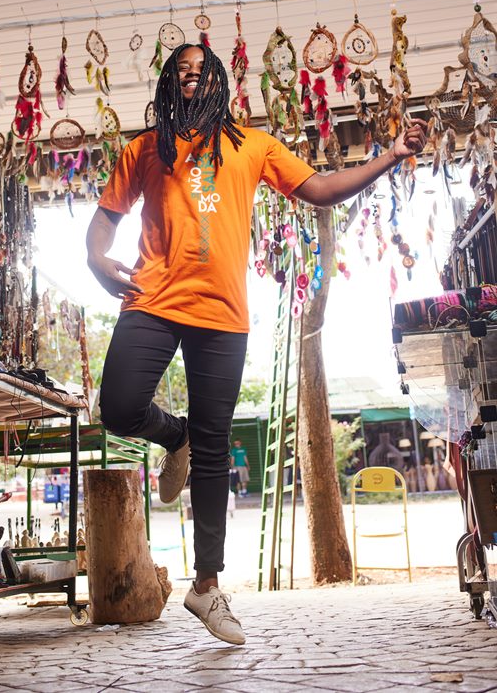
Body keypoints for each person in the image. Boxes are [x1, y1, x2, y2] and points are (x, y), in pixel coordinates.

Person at [87, 42, 426, 645]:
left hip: (222, 312)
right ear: (171, 83)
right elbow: (106, 217)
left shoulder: (253, 144)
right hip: (153, 300)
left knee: (216, 448)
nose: (191, 79)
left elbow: (320, 187)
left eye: (202, 71)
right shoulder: (144, 149)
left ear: (219, 82)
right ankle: (176, 434)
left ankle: (207, 585)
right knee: (116, 405)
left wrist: (390, 156)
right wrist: (94, 257)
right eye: (181, 72)